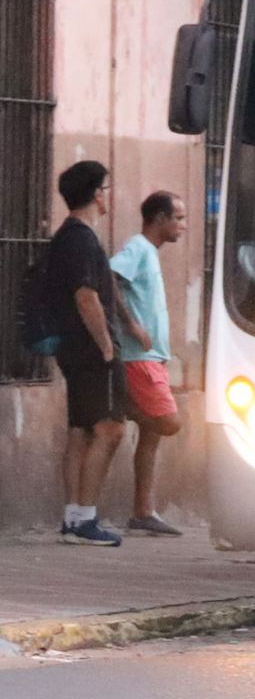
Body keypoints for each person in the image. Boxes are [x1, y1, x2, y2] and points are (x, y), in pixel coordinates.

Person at [47, 161, 127, 547]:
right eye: (106, 188)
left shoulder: (69, 236)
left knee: (80, 431)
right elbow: (86, 295)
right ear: (97, 194)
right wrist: (107, 345)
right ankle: (85, 519)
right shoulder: (80, 238)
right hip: (90, 349)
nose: (108, 196)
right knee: (110, 429)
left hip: (73, 347)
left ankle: (74, 517)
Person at [111, 191, 188, 536]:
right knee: (168, 422)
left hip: (153, 356)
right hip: (138, 357)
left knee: (152, 435)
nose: (182, 226)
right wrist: (130, 324)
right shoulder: (138, 248)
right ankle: (128, 406)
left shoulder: (150, 253)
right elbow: (109, 280)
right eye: (178, 218)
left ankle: (143, 511)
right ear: (159, 218)